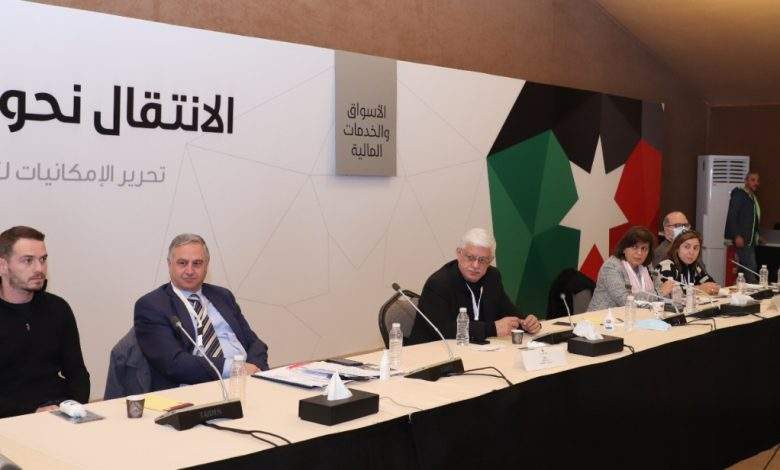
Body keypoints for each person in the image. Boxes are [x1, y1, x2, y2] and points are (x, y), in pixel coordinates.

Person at [134, 234, 269, 391]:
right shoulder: (152, 305)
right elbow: (173, 363)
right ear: (170, 264)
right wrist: (234, 368)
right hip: (194, 389)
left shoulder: (223, 296)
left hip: (245, 382)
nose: (190, 270)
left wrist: (254, 370)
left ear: (206, 266)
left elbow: (255, 343)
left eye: (197, 263)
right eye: (182, 263)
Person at [0, 226, 89, 418]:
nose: (39, 269)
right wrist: (31, 412)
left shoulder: (58, 308)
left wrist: (72, 408)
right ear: (3, 266)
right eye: (28, 260)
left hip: (59, 410)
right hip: (10, 418)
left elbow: (77, 373)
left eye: (43, 259)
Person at [407, 228, 541, 345]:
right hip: (432, 354)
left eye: (482, 260)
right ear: (459, 253)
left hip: (475, 351)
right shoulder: (438, 283)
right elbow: (443, 329)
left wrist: (527, 323)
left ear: (490, 260)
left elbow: (509, 312)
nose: (476, 265)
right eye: (470, 257)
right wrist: (492, 329)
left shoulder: (492, 277)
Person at [588, 226, 658, 311]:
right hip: (603, 317)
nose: (639, 253)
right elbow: (625, 300)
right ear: (624, 249)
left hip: (638, 316)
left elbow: (663, 289)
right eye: (635, 247)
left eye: (644, 248)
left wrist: (663, 291)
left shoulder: (647, 266)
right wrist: (657, 294)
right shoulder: (611, 267)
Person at [656, 230, 720, 296]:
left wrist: (713, 287)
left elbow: (710, 283)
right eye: (687, 247)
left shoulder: (695, 267)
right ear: (677, 248)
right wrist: (699, 288)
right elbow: (670, 292)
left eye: (695, 248)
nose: (691, 252)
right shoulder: (666, 266)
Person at [725, 172, 761, 283]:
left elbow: (751, 220)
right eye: (753, 180)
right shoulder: (740, 195)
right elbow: (732, 215)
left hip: (749, 240)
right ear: (746, 181)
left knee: (743, 271)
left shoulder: (751, 197)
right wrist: (737, 235)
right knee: (750, 269)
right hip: (742, 239)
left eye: (757, 181)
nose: (756, 183)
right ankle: (754, 291)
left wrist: (757, 235)